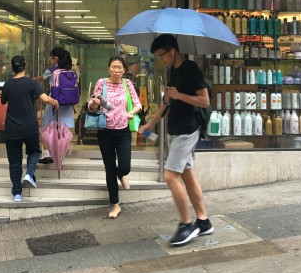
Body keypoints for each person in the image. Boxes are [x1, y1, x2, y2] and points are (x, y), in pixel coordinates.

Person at [139, 33, 214, 247]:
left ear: (172, 51)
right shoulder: (173, 71)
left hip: (187, 131)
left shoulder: (190, 69)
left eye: (161, 55)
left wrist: (180, 95)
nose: (161, 59)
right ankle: (203, 221)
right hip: (174, 130)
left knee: (170, 176)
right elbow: (166, 103)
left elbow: (204, 101)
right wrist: (150, 124)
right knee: (187, 175)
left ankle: (186, 225)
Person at [86, 56, 142, 219]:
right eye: (113, 67)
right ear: (108, 69)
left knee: (125, 166)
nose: (116, 70)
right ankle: (115, 204)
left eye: (119, 67)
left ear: (124, 70)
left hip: (123, 131)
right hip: (105, 131)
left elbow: (138, 104)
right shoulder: (101, 83)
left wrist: (132, 112)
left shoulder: (127, 84)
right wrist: (95, 103)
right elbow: (91, 105)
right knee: (109, 168)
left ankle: (122, 174)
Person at [0, 55, 59, 202]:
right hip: (29, 126)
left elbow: (3, 101)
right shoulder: (31, 83)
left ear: (13, 68)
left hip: (12, 128)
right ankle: (29, 173)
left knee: (14, 162)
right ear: (25, 66)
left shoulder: (8, 84)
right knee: (35, 151)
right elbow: (45, 99)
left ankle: (17, 193)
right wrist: (55, 102)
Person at [39, 47, 77, 163]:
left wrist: (30, 80)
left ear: (55, 58)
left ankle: (47, 154)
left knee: (47, 127)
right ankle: (61, 151)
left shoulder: (51, 71)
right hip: (67, 103)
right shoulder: (71, 71)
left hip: (54, 102)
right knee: (64, 127)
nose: (50, 60)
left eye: (51, 58)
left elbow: (41, 79)